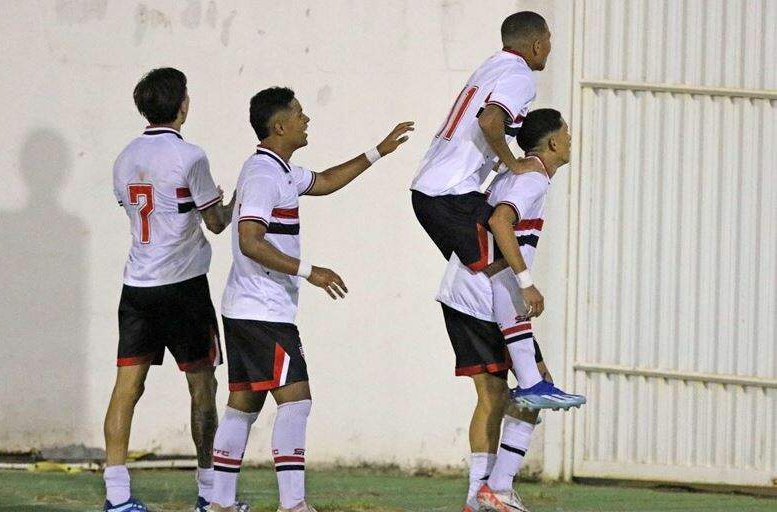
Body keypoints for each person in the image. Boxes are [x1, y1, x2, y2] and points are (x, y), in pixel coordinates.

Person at [209, 87, 413, 512]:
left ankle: (220, 502)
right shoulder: (265, 176)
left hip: (247, 307)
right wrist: (310, 272)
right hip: (262, 310)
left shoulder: (275, 169)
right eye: (300, 115)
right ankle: (293, 504)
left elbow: (323, 182)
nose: (307, 120)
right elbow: (250, 240)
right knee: (296, 400)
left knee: (243, 405)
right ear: (279, 125)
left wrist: (379, 151)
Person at [410, 11, 562, 402]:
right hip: (449, 194)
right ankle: (532, 378)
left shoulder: (491, 66)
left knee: (494, 274)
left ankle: (526, 372)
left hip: (438, 191)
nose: (549, 46)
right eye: (548, 39)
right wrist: (512, 163)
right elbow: (491, 121)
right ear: (536, 44)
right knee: (507, 267)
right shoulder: (519, 77)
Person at [436, 109, 583, 512]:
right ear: (553, 143)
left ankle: (490, 492)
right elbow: (502, 222)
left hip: (481, 292)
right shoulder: (532, 176)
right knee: (501, 394)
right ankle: (488, 493)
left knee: (514, 392)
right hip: (479, 295)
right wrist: (525, 282)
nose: (571, 137)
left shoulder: (523, 172)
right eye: (566, 132)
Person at [105, 68, 236, 512]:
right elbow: (216, 224)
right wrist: (230, 199)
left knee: (127, 388)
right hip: (182, 289)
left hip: (137, 286)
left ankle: (117, 496)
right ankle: (208, 490)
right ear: (182, 104)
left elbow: (137, 210)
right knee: (202, 386)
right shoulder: (191, 156)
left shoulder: (124, 157)